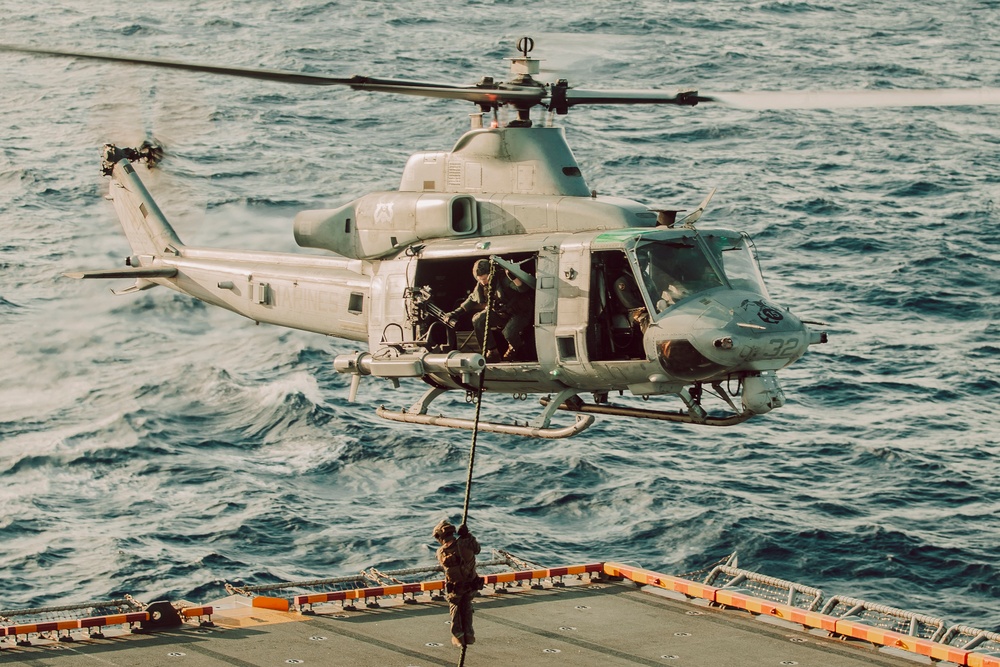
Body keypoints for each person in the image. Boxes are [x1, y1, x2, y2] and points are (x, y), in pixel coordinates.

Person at [446, 258, 533, 363]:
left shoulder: (504, 279)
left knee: (508, 333)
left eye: (485, 278)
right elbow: (472, 300)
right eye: (480, 279)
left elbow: (523, 289)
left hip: (519, 313)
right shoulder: (481, 285)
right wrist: (456, 313)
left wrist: (514, 278)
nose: (483, 282)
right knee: (478, 319)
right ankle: (492, 351)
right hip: (500, 313)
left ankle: (515, 347)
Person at [433, 519, 482, 647]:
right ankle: (469, 634)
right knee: (467, 607)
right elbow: (477, 549)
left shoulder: (441, 552)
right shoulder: (466, 544)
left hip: (456, 588)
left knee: (455, 609)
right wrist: (468, 536)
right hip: (472, 584)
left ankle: (458, 636)